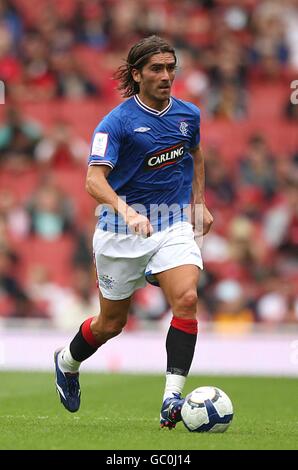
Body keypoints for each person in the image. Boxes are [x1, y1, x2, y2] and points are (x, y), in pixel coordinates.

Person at [54, 35, 213, 429]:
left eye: (171, 68)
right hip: (119, 232)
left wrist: (198, 202)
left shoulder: (188, 114)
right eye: (157, 69)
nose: (166, 76)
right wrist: (126, 212)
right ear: (137, 73)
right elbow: (93, 181)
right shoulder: (117, 123)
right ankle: (66, 362)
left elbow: (195, 151)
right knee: (111, 325)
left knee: (188, 298)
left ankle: (171, 401)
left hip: (170, 221)